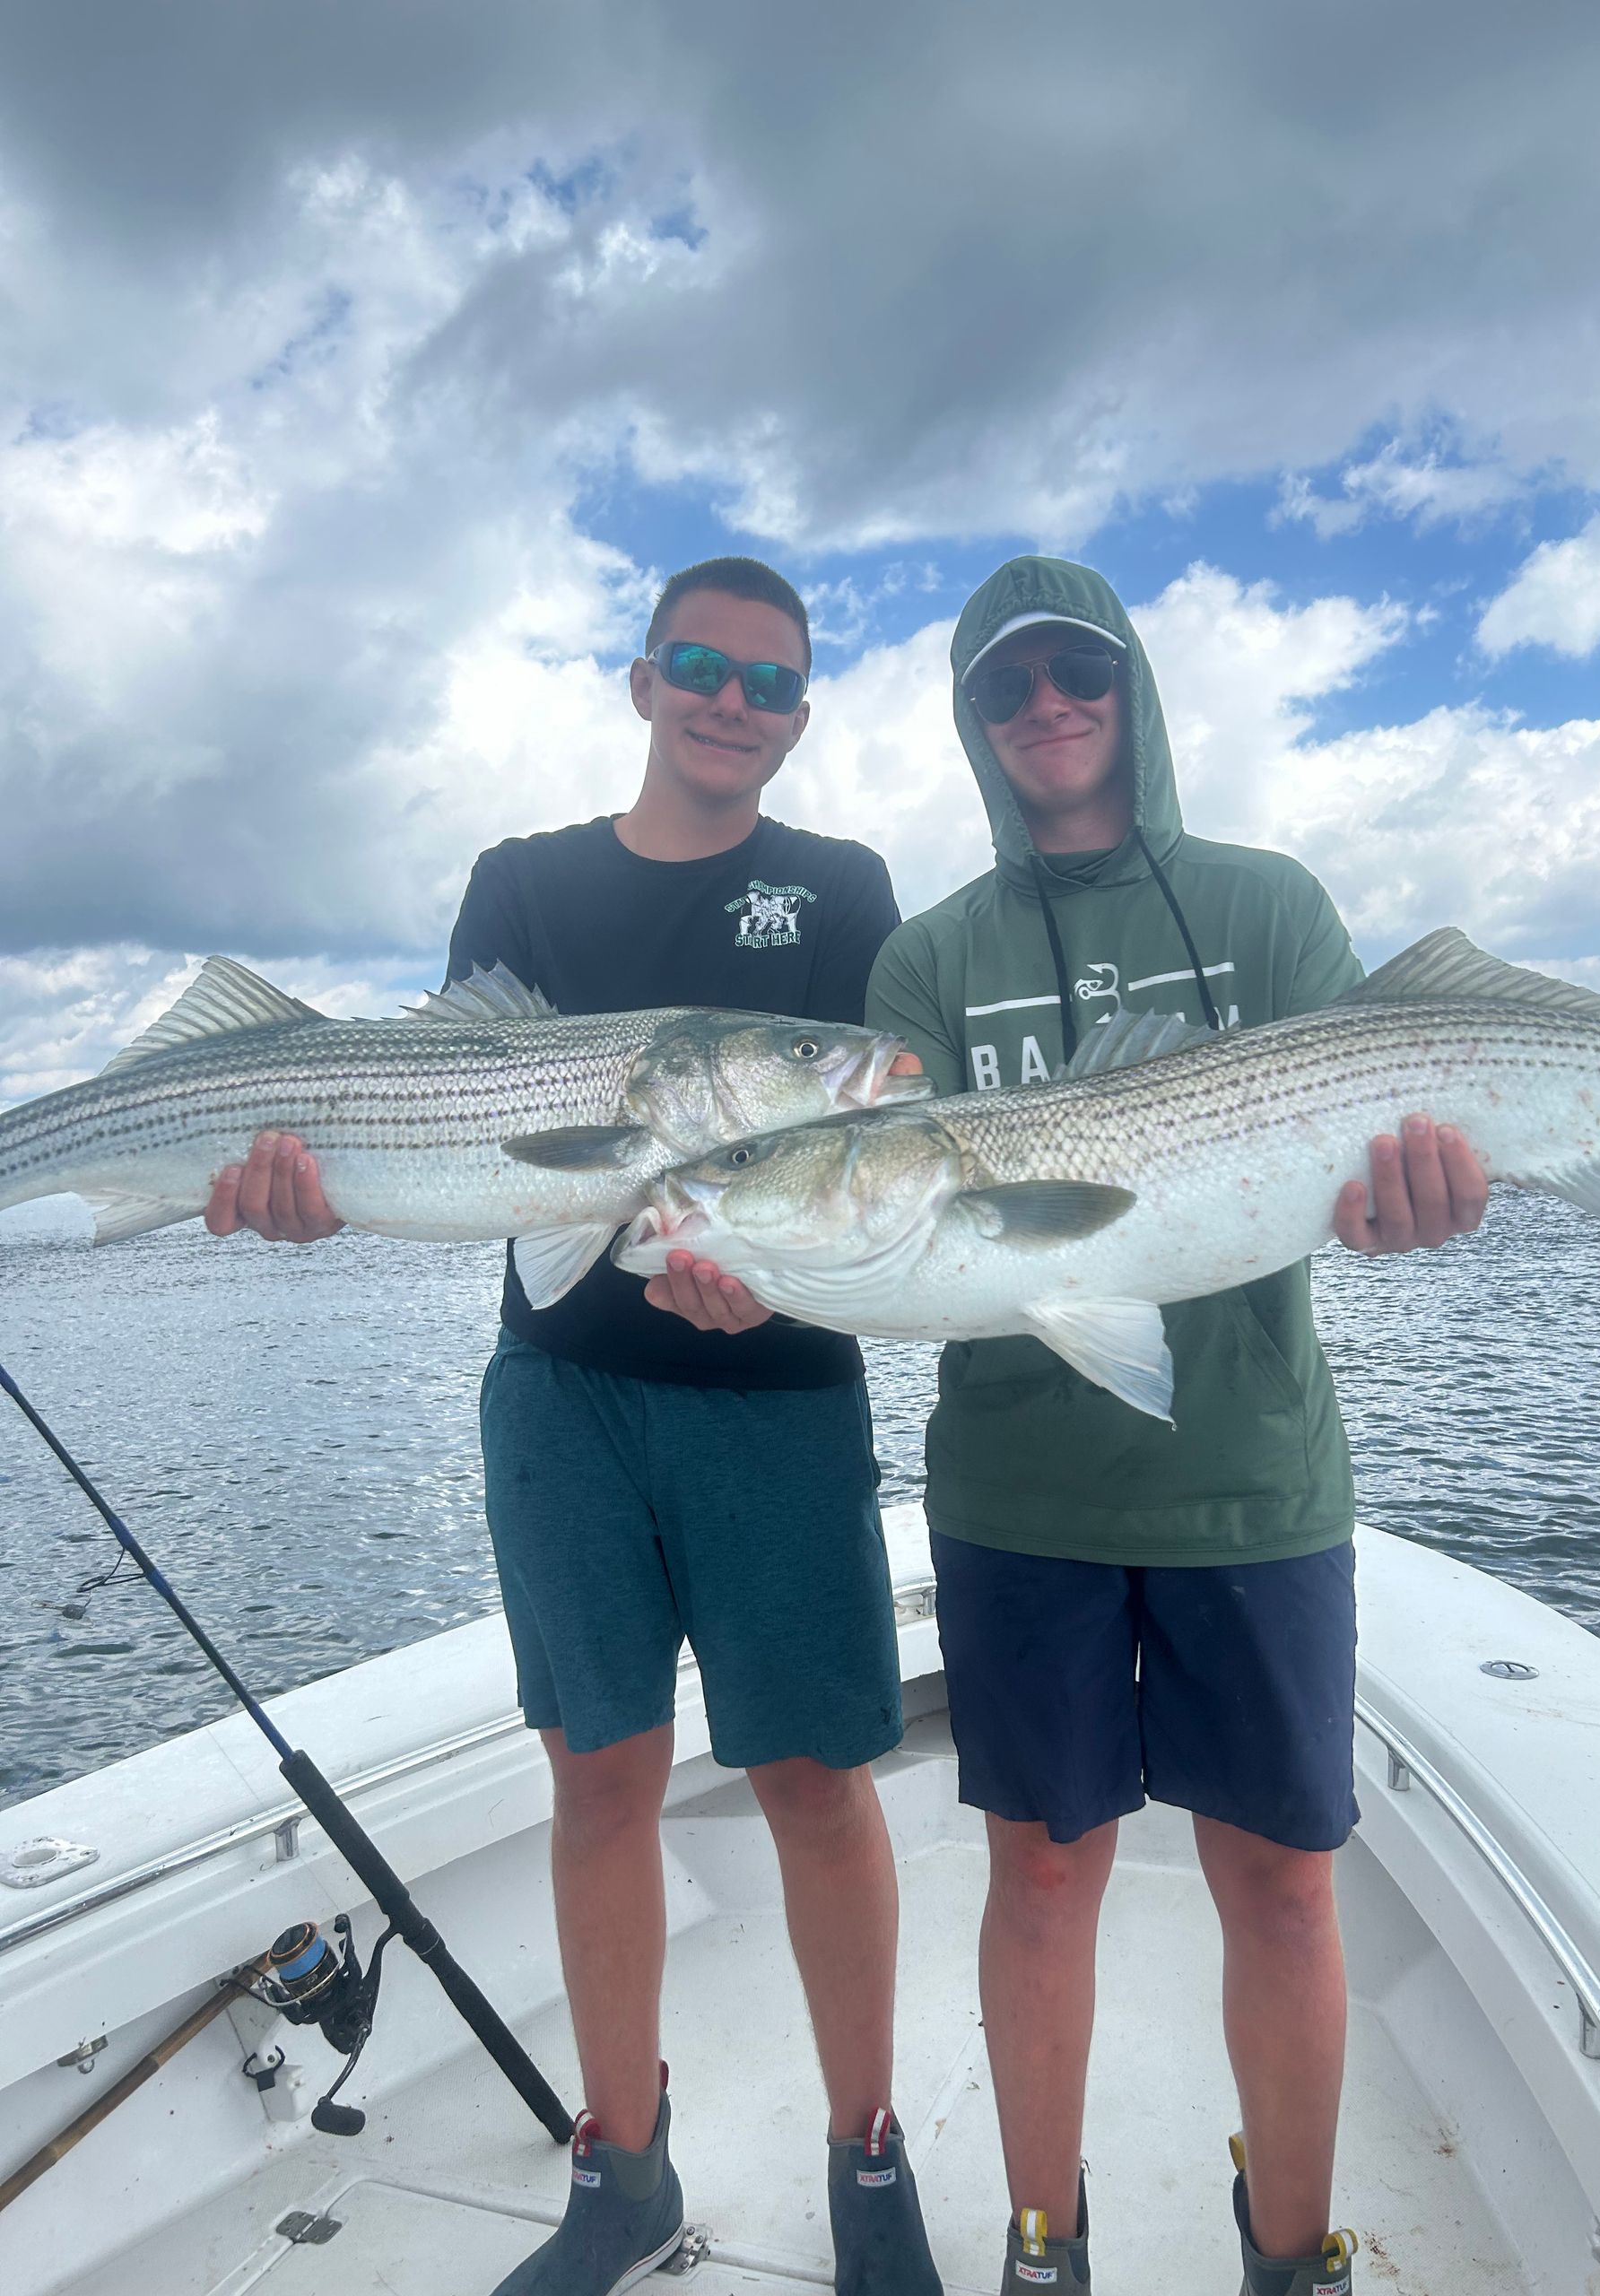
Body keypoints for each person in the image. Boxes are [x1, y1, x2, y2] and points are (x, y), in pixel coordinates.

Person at [208, 557, 943, 2296]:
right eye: (702, 664)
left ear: (804, 714)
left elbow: (878, 1157)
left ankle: (868, 2153)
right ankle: (624, 2164)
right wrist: (307, 1196)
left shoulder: (840, 890)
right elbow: (447, 1150)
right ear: (641, 679)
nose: (732, 700)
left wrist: (780, 1276)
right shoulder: (523, 883)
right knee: (596, 1772)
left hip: (775, 1399)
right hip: (560, 1399)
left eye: (771, 682)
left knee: (817, 1782)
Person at [865, 554, 1488, 2296]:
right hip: (1020, 1491)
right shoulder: (929, 960)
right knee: (1044, 1882)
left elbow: (1376, 1146)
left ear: (1132, 681)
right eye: (1010, 685)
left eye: (1080, 668)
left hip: (1254, 1482)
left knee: (1285, 1889)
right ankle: (1044, 2239)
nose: (1048, 704)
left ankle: (1293, 2254)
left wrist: (1412, 1201)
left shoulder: (1267, 908)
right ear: (977, 723)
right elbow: (883, 1219)